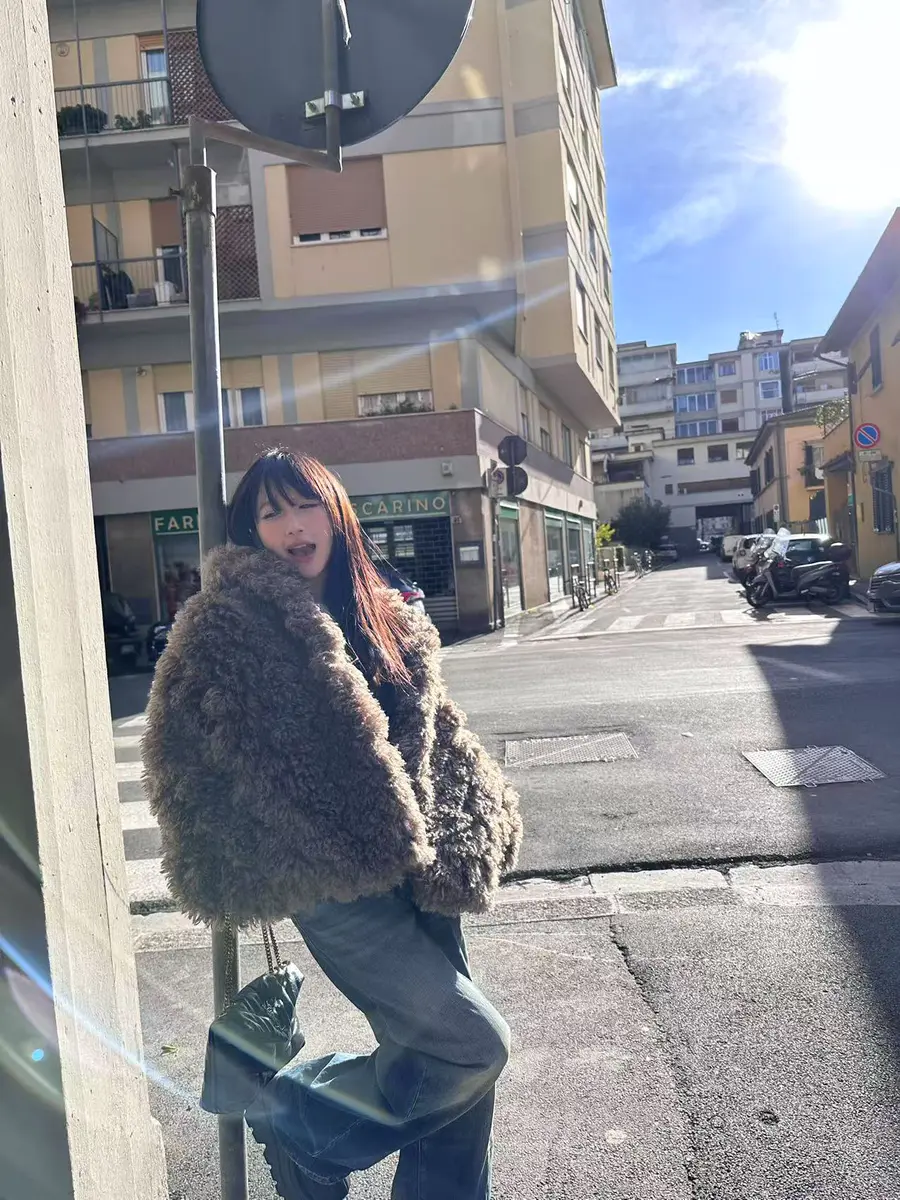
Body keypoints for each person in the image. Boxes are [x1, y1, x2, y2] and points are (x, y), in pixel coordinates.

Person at [142, 448, 522, 1200]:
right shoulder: (226, 625)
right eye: (271, 513)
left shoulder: (385, 614)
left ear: (336, 511)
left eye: (304, 504)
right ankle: (303, 1118)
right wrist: (251, 855)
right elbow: (179, 755)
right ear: (251, 532)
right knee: (472, 1046)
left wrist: (473, 814)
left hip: (424, 865)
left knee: (455, 1093)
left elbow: (437, 731)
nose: (292, 526)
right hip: (333, 880)